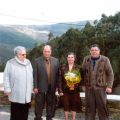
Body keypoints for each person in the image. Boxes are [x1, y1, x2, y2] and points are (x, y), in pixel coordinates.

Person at [82, 44, 114, 120]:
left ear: (99, 51)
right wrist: (83, 84)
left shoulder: (105, 59)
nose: (94, 52)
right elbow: (82, 73)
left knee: (102, 107)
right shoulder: (86, 59)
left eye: (96, 50)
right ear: (90, 51)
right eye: (92, 50)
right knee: (89, 108)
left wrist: (109, 86)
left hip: (101, 88)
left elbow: (110, 73)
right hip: (89, 88)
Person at [3, 46, 33, 120]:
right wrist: (7, 88)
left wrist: (32, 87)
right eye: (23, 54)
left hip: (26, 94)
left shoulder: (28, 62)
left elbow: (31, 76)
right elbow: (6, 76)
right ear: (17, 54)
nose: (25, 56)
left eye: (25, 54)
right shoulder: (10, 63)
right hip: (16, 94)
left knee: (25, 114)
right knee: (15, 115)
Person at [33, 45, 59, 120]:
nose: (46, 53)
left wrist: (57, 86)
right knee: (39, 103)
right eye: (45, 51)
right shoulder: (37, 61)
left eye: (48, 51)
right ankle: (38, 117)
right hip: (40, 86)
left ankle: (49, 117)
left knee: (51, 103)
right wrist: (35, 86)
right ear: (43, 51)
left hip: (52, 86)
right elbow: (35, 75)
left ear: (51, 52)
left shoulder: (56, 60)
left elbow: (57, 74)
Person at [58, 52, 82, 120]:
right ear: (67, 58)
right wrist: (60, 90)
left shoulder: (79, 67)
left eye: (72, 57)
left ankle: (73, 119)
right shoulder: (62, 67)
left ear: (74, 58)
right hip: (65, 90)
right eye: (69, 57)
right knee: (66, 105)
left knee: (74, 105)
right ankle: (66, 119)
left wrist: (76, 83)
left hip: (75, 90)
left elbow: (81, 79)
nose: (70, 59)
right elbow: (59, 80)